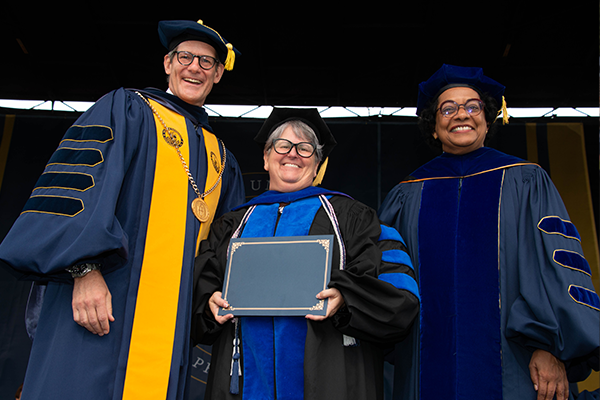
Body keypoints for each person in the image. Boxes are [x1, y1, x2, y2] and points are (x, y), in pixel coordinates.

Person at [0, 19, 245, 399]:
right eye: (185, 57)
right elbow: (74, 193)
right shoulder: (128, 110)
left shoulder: (222, 158)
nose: (195, 67)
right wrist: (83, 270)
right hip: (102, 301)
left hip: (168, 329)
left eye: (207, 62)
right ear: (167, 63)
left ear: (217, 75)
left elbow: (219, 249)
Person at [378, 64, 600, 400]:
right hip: (423, 364)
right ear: (435, 127)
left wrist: (550, 347)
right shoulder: (407, 194)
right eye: (448, 108)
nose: (460, 115)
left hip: (517, 361)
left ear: (487, 119)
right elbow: (389, 281)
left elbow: (555, 270)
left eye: (472, 106)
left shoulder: (526, 181)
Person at [192, 107, 420, 400]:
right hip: (244, 376)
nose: (292, 154)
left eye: (305, 148)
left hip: (330, 378)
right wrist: (209, 299)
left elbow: (400, 294)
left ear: (317, 164)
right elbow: (201, 286)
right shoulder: (233, 224)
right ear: (265, 157)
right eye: (282, 146)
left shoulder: (353, 218)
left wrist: (345, 299)